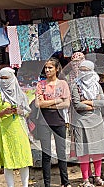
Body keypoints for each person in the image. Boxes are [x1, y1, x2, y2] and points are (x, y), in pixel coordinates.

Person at [0, 67, 33, 187]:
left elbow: (28, 111)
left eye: (6, 78)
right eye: (1, 78)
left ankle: (25, 185)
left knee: (23, 159)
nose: (4, 81)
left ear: (12, 79)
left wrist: (20, 111)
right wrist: (3, 113)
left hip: (20, 129)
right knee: (8, 161)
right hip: (4, 132)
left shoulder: (21, 94)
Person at [35, 57, 71, 187]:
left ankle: (65, 182)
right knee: (46, 153)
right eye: (46, 68)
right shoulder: (41, 84)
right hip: (44, 121)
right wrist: (56, 101)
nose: (47, 70)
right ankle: (47, 183)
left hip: (59, 120)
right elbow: (38, 103)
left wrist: (48, 104)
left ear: (56, 69)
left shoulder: (63, 84)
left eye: (50, 67)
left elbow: (66, 103)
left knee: (61, 153)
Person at [71, 60, 104, 187]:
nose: (83, 73)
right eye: (81, 70)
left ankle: (97, 177)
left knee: (97, 150)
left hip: (96, 121)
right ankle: (85, 179)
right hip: (81, 122)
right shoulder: (76, 85)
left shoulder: (97, 85)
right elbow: (77, 104)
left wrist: (88, 102)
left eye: (86, 70)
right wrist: (93, 104)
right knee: (84, 152)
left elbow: (102, 102)